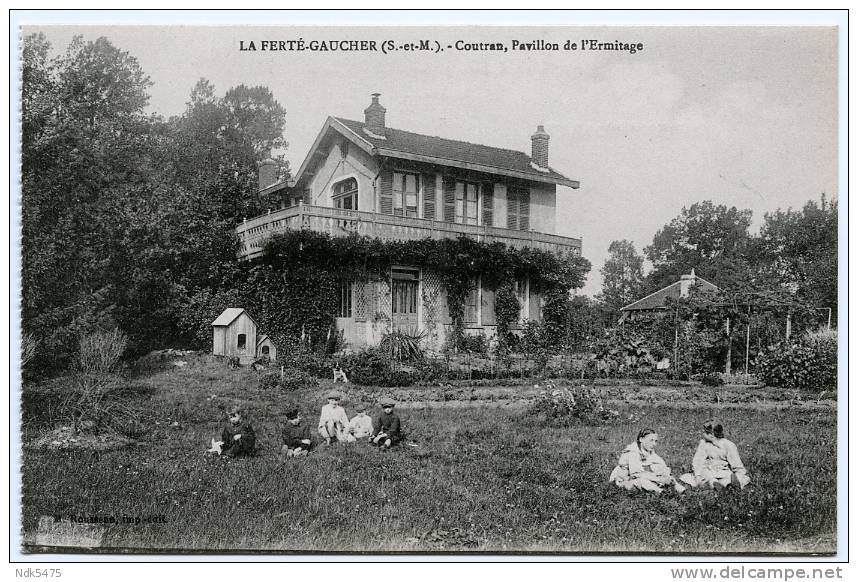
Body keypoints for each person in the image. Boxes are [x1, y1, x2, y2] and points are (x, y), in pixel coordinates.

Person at [680, 419, 751, 489]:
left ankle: (730, 485)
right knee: (710, 478)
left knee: (724, 478)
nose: (702, 434)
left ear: (711, 435)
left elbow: (736, 463)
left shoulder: (728, 445)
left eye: (704, 432)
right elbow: (698, 461)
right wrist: (697, 475)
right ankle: (719, 486)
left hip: (722, 470)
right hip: (708, 470)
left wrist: (738, 475)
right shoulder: (704, 443)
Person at [609, 428, 685, 493]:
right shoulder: (633, 452)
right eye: (651, 440)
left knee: (660, 470)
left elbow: (660, 463)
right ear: (641, 439)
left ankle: (680, 489)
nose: (654, 444)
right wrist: (658, 479)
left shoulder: (649, 451)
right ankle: (661, 492)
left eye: (655, 441)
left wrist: (665, 475)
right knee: (642, 481)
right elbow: (635, 474)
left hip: (639, 475)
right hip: (625, 479)